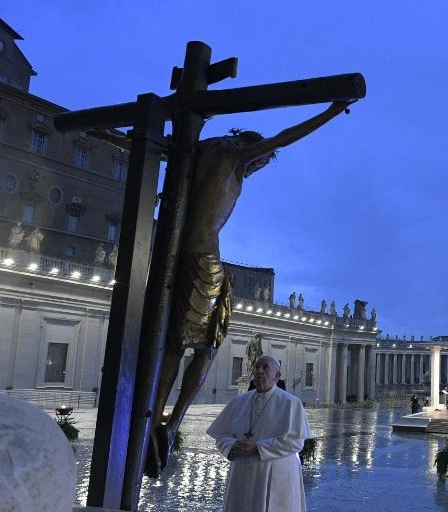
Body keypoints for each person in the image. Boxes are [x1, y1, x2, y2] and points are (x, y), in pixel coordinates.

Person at [145, 100, 353, 477]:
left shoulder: (196, 152)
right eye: (259, 163)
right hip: (203, 260)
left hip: (169, 255)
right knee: (205, 349)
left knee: (174, 345)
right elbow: (286, 137)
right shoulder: (234, 156)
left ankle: (150, 421)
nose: (256, 169)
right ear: (251, 148)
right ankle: (170, 423)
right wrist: (333, 109)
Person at [207, 356, 312, 512]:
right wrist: (231, 446)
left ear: (277, 376)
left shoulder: (290, 404)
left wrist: (258, 447)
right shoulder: (239, 402)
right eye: (257, 367)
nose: (259, 371)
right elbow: (221, 434)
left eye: (265, 367)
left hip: (275, 474)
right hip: (241, 472)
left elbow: (296, 441)